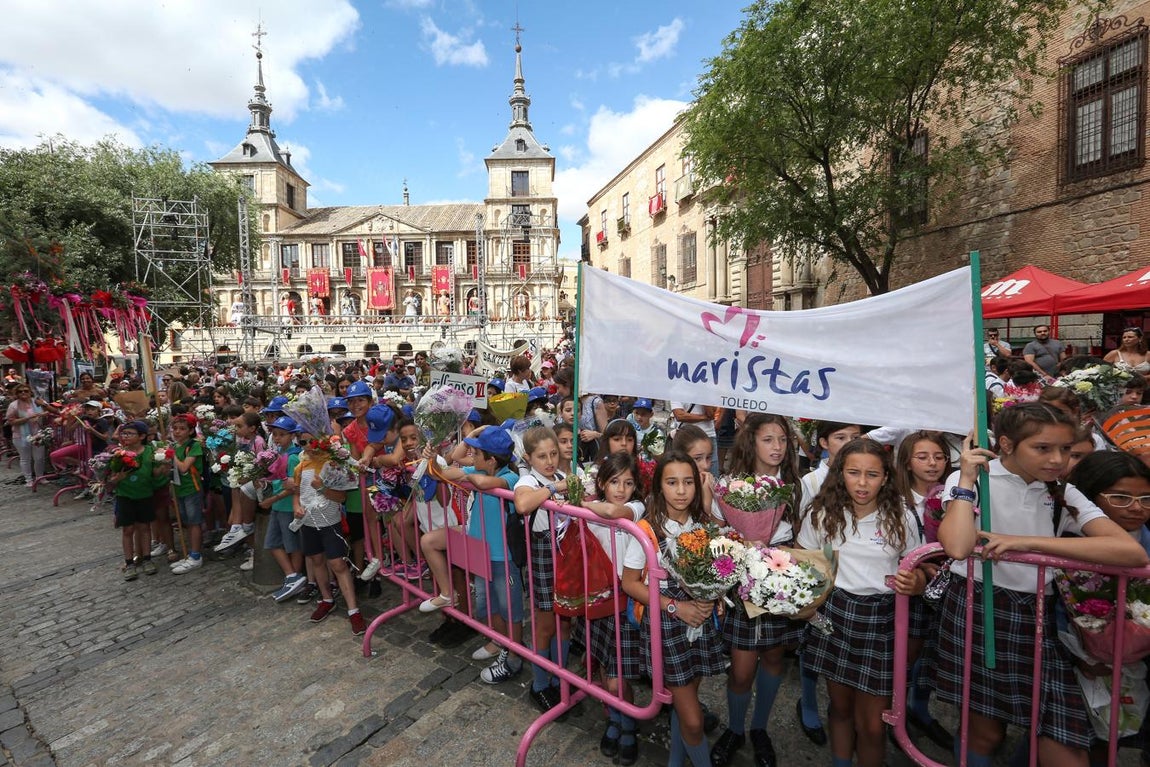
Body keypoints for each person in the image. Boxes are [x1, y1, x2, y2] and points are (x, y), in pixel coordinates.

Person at [935, 403, 1148, 767]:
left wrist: (1028, 544)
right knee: (985, 730)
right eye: (1043, 448)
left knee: (1064, 740)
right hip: (980, 609)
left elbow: (1130, 553)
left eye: (1065, 449)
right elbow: (956, 546)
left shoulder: (1065, 491)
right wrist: (967, 480)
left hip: (1040, 616)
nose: (1057, 459)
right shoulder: (974, 479)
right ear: (1006, 444)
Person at [799, 438, 926, 767]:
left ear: (886, 477)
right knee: (840, 708)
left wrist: (917, 582)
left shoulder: (901, 516)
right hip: (834, 615)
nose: (862, 482)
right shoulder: (821, 513)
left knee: (872, 724)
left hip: (881, 621)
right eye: (854, 472)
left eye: (872, 474)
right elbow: (804, 564)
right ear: (841, 474)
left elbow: (921, 565)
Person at [621, 451, 726, 767]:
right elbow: (629, 583)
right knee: (694, 720)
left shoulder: (704, 524)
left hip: (699, 621)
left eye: (688, 482)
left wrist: (715, 595)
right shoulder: (647, 530)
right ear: (658, 487)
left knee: (687, 705)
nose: (681, 490)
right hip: (667, 625)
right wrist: (674, 607)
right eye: (672, 482)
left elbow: (713, 572)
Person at [711, 414, 805, 767]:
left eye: (782, 439)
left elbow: (803, 531)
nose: (777, 447)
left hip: (783, 579)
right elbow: (717, 531)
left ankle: (759, 728)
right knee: (741, 668)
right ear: (751, 441)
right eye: (768, 439)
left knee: (775, 657)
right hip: (743, 586)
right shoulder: (731, 484)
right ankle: (735, 728)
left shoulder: (796, 484)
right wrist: (739, 541)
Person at [419, 423, 524, 684]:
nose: (471, 457)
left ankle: (514, 657)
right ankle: (500, 643)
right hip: (480, 551)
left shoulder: (511, 477)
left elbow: (484, 481)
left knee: (510, 610)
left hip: (503, 557)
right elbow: (443, 472)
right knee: (488, 607)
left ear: (491, 459)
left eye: (477, 454)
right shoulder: (477, 468)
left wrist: (466, 474)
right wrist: (433, 459)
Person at [582, 452, 646, 765]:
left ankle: (629, 724)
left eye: (628, 482)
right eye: (614, 482)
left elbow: (612, 510)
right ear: (602, 482)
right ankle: (615, 719)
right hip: (598, 599)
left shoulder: (636, 508)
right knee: (606, 665)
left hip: (625, 602)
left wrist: (582, 504)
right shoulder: (591, 507)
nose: (621, 488)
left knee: (618, 677)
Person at [513, 425, 570, 715]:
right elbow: (522, 504)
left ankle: (561, 675)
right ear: (528, 457)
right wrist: (551, 488)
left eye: (553, 454)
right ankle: (539, 684)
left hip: (566, 557)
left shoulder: (562, 476)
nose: (549, 461)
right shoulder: (528, 480)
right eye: (541, 456)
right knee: (545, 624)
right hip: (543, 558)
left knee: (565, 620)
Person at [293, 434, 364, 635]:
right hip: (308, 522)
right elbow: (296, 494)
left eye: (312, 441)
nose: (308, 446)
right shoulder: (300, 466)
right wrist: (297, 507)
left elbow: (341, 497)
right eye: (303, 442)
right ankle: (327, 599)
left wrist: (322, 488)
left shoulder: (332, 464)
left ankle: (353, 609)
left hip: (329, 522)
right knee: (316, 560)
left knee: (338, 564)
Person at [260, 416, 307, 601]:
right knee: (272, 542)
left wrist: (272, 499)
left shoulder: (294, 456)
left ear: (292, 436)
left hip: (287, 506)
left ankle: (294, 576)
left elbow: (294, 486)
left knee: (292, 545)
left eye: (282, 434)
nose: (277, 438)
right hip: (278, 505)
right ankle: (292, 576)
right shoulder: (278, 454)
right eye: (275, 434)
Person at [109, 421, 162, 581]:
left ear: (142, 436)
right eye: (124, 433)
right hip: (125, 496)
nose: (125, 437)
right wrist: (118, 478)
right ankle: (129, 562)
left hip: (144, 494)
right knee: (128, 530)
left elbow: (155, 473)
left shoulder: (150, 452)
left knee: (145, 527)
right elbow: (111, 480)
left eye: (130, 434)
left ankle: (147, 558)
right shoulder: (118, 454)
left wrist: (164, 465)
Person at [169, 414, 207, 574]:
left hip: (192, 488)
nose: (177, 432)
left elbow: (184, 467)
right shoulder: (175, 446)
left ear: (191, 431)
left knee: (194, 522)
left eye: (182, 429)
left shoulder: (193, 446)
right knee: (186, 521)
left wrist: (172, 455)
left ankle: (196, 555)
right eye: (175, 428)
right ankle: (190, 553)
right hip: (179, 489)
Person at [6, 383, 48, 486]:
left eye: (26, 391)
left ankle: (40, 477)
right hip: (20, 435)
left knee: (39, 458)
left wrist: (44, 414)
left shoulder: (36, 402)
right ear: (17, 394)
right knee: (25, 458)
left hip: (38, 433)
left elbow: (47, 410)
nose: (23, 393)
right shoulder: (14, 405)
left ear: (30, 392)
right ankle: (28, 479)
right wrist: (27, 418)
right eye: (20, 391)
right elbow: (11, 421)